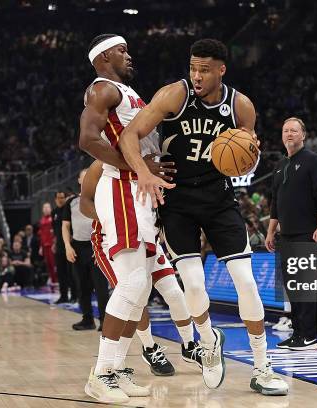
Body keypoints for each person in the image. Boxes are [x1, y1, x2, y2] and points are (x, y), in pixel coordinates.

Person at [118, 38, 289, 395]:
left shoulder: (240, 106)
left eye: (205, 70)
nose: (196, 75)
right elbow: (129, 135)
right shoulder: (173, 96)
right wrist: (145, 172)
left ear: (221, 71)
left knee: (245, 280)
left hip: (218, 198)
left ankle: (262, 367)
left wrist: (247, 151)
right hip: (177, 199)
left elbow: (249, 152)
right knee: (193, 286)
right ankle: (209, 342)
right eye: (193, 68)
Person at [78, 34, 186, 403]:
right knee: (130, 285)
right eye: (122, 50)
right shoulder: (102, 90)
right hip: (121, 189)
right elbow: (87, 139)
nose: (129, 55)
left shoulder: (127, 92)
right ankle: (100, 373)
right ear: (104, 56)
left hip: (136, 193)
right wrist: (136, 168)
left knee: (139, 289)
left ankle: (116, 369)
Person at [81, 160, 200, 376]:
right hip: (110, 237)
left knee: (174, 293)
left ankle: (190, 346)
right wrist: (114, 219)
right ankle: (148, 348)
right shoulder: (102, 165)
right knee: (134, 295)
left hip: (147, 235)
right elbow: (84, 204)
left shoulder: (154, 158)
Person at [265, 117, 317, 352]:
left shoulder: (313, 161)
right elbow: (275, 203)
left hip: (307, 234)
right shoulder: (280, 165)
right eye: (285, 130)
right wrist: (271, 231)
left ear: (303, 135)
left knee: (305, 286)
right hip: (286, 235)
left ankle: (310, 337)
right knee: (292, 287)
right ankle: (298, 334)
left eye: (294, 130)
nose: (289, 134)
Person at [62, 169, 110, 331]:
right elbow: (65, 226)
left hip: (96, 246)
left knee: (101, 286)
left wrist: (105, 247)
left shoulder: (101, 199)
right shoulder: (71, 202)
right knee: (82, 287)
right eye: (85, 176)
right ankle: (87, 319)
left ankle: (105, 321)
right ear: (79, 180)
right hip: (77, 248)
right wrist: (68, 246)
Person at [53, 191, 76, 303]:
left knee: (71, 273)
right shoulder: (54, 212)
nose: (60, 200)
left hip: (70, 247)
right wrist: (54, 243)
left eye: (62, 197)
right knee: (61, 273)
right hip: (59, 247)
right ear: (55, 199)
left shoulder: (69, 210)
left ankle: (74, 296)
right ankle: (63, 296)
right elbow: (56, 231)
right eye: (58, 198)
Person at [38, 202, 56, 285]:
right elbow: (41, 234)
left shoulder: (53, 218)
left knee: (54, 264)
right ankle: (52, 280)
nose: (46, 209)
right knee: (48, 264)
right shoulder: (41, 220)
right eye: (44, 207)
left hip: (52, 245)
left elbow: (55, 233)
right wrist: (41, 247)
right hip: (45, 245)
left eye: (47, 207)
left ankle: (57, 281)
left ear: (50, 209)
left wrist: (55, 243)